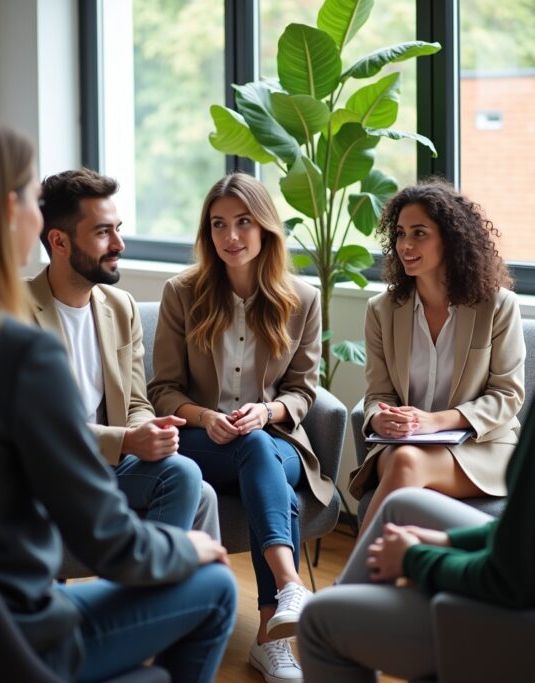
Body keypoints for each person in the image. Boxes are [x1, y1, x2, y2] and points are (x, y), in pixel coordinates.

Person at [298, 79, 535, 682]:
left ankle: (341, 604)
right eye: (401, 234)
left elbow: (515, 574)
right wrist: (438, 540)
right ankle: (360, 593)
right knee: (404, 498)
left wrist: (420, 559)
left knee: (321, 623)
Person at [0, 113, 236, 683]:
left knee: (182, 477)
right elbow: (110, 542)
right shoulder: (13, 350)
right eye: (30, 197)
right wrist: (189, 549)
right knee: (215, 585)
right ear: (8, 212)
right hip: (14, 642)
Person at [147, 172, 331, 683]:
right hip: (201, 442)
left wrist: (265, 413)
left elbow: (303, 391)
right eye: (218, 224)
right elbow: (163, 389)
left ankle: (277, 619)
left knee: (257, 446)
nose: (230, 236)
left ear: (265, 226)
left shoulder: (302, 298)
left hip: (275, 442)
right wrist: (205, 417)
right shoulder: (182, 293)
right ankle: (281, 611)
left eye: (243, 222)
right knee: (270, 478)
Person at [27, 168, 220, 541]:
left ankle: (160, 576)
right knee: (188, 480)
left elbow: (135, 402)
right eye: (103, 232)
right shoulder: (13, 310)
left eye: (118, 229)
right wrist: (126, 441)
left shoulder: (121, 307)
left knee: (196, 486)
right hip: (45, 471)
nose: (119, 244)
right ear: (59, 241)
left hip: (106, 465)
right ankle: (157, 572)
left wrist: (147, 430)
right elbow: (36, 427)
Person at [348, 177, 525, 536]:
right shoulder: (381, 310)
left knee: (405, 464)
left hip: (482, 449)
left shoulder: (497, 306)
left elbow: (507, 395)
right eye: (400, 234)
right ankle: (383, 567)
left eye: (419, 233)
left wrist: (435, 421)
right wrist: (380, 419)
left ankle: (359, 568)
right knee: (404, 459)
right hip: (403, 446)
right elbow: (378, 394)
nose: (405, 245)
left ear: (451, 238)